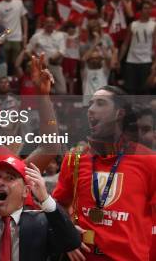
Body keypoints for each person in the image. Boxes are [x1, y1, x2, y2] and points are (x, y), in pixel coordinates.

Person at [53, 86, 156, 261]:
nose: (91, 109)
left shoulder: (149, 160)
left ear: (119, 113)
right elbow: (58, 205)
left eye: (100, 103)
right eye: (90, 104)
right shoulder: (75, 158)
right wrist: (66, 233)